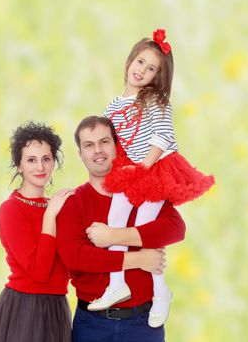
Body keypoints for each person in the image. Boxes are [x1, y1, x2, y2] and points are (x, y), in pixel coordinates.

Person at [88, 28, 215, 327]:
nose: (141, 70)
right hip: (132, 168)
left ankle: (161, 292)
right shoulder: (113, 106)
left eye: (151, 68)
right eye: (140, 62)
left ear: (157, 77)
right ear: (130, 60)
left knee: (146, 226)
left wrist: (144, 166)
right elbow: (113, 141)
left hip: (157, 165)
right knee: (115, 217)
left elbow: (162, 135)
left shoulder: (156, 101)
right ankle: (117, 283)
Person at [56, 116, 186, 342]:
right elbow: (75, 257)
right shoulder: (74, 202)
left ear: (116, 146)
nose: (98, 150)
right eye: (89, 145)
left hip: (143, 324)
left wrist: (113, 237)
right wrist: (138, 259)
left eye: (104, 142)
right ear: (80, 154)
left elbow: (175, 228)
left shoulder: (142, 192)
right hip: (91, 325)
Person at [0, 122, 75, 342]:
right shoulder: (11, 209)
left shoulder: (54, 206)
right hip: (26, 309)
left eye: (46, 159)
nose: (40, 167)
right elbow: (39, 271)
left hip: (57, 306)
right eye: (31, 160)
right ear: (19, 165)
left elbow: (70, 264)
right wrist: (50, 216)